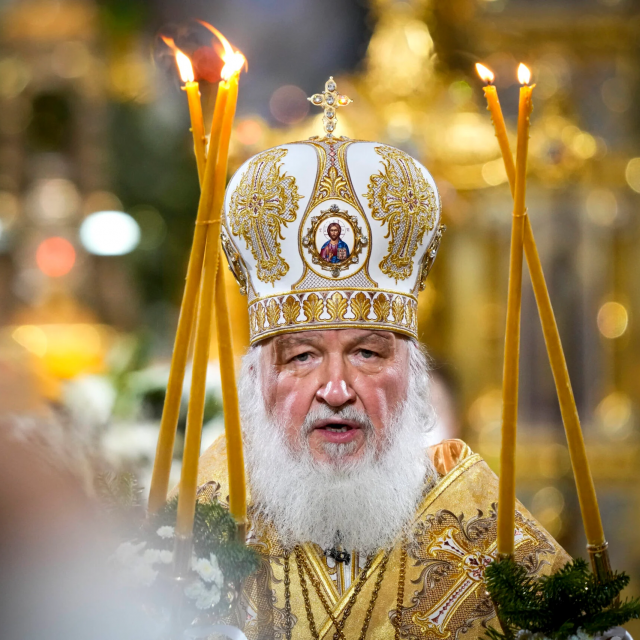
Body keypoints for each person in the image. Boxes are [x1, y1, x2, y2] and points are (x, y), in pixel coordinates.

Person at [204, 131, 569, 640]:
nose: (336, 389)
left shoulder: (483, 527)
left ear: (414, 374)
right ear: (253, 378)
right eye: (302, 356)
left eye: (367, 354)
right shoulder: (197, 521)